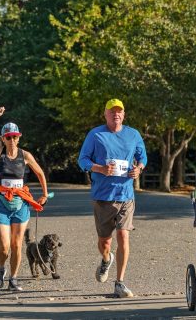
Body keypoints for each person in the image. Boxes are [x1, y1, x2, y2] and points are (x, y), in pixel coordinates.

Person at [78, 98, 147, 298]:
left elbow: (142, 157)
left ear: (124, 114)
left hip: (126, 194)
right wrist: (100, 168)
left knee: (123, 235)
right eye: (112, 111)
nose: (116, 114)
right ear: (105, 114)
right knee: (105, 242)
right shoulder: (95, 134)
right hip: (103, 196)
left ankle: (120, 282)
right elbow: (82, 159)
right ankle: (106, 259)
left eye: (119, 111)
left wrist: (138, 169)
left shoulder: (133, 134)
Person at [0, 107, 49, 292]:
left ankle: (14, 278)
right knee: (5, 246)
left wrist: (44, 194)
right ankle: (1, 269)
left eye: (15, 136)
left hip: (20, 204)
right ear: (3, 138)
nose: (12, 140)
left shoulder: (25, 155)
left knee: (17, 245)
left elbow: (40, 173)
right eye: (8, 137)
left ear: (19, 137)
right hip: (0, 203)